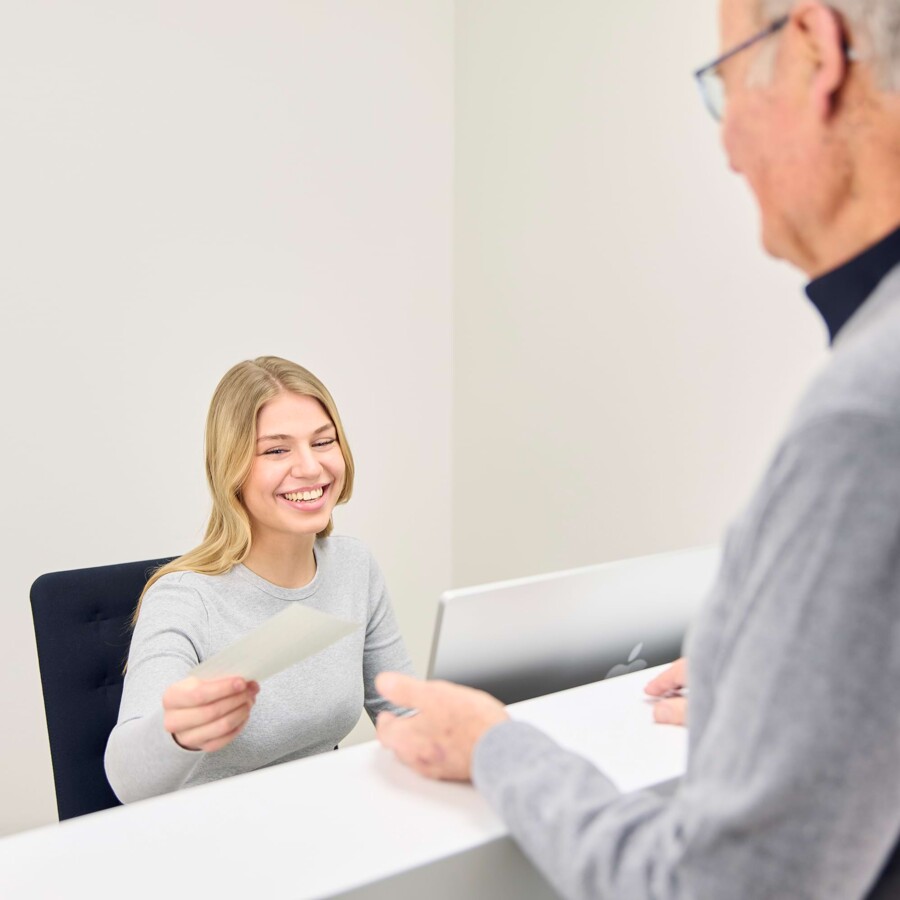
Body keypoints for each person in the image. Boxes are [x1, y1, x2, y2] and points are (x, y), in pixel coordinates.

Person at [375, 1, 900, 897]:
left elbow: (726, 886)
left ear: (815, 53)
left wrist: (499, 747)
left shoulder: (865, 412)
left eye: (723, 85)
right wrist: (772, 684)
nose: (728, 145)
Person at [105, 356, 413, 803]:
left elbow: (403, 713)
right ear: (231, 469)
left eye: (323, 441)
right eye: (276, 450)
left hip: (322, 823)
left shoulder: (353, 566)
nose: (310, 467)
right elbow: (127, 780)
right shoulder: (184, 598)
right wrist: (178, 733)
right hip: (211, 841)